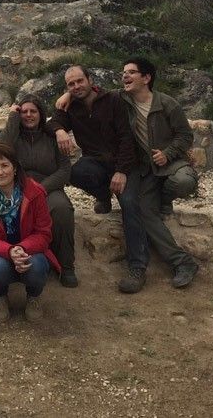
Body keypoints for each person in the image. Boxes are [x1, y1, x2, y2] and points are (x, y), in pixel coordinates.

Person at [56, 59, 199, 288]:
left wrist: (161, 156)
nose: (126, 76)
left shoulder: (163, 103)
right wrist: (66, 104)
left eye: (132, 72)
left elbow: (179, 136)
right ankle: (179, 262)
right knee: (85, 176)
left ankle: (138, 266)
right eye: (124, 72)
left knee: (140, 203)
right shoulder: (119, 96)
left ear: (147, 78)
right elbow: (73, 105)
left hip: (157, 165)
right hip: (139, 167)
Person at [48, 65, 147, 293]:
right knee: (76, 172)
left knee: (130, 205)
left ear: (90, 80)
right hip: (97, 163)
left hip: (126, 164)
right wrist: (60, 131)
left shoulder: (112, 100)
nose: (76, 87)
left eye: (79, 81)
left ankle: (137, 268)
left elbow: (126, 138)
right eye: (70, 84)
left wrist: (122, 171)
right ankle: (103, 195)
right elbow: (51, 123)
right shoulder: (71, 105)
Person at [0, 141, 60, 322]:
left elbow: (43, 233)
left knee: (37, 265)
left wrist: (20, 248)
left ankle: (33, 297)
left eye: (5, 165)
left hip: (29, 250)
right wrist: (9, 251)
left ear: (15, 167)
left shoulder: (35, 191)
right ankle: (0, 297)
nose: (0, 172)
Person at [0, 94, 76, 287]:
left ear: (41, 114)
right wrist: (12, 119)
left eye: (33, 111)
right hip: (15, 189)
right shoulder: (12, 135)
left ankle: (66, 266)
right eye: (24, 112)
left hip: (47, 188)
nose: (28, 115)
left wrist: (41, 188)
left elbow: (65, 170)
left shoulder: (53, 137)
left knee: (62, 209)